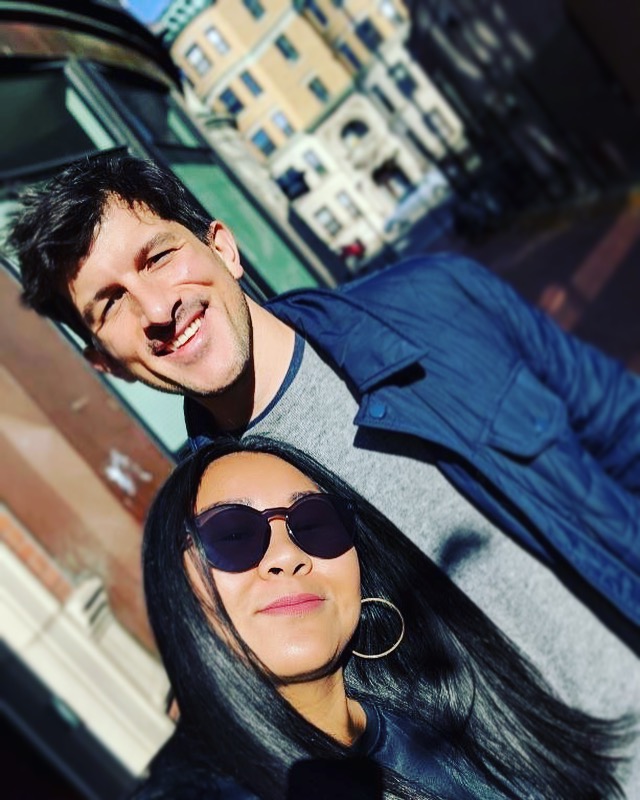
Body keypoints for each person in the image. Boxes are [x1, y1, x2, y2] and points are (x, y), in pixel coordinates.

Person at [7, 157, 640, 789]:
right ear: (104, 364)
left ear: (222, 247)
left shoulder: (439, 304)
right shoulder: (208, 543)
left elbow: (622, 430)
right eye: (111, 303)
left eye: (158, 257)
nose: (156, 308)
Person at [134, 436, 631, 800]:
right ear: (176, 584)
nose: (287, 555)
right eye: (232, 535)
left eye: (314, 524)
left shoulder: (443, 712)